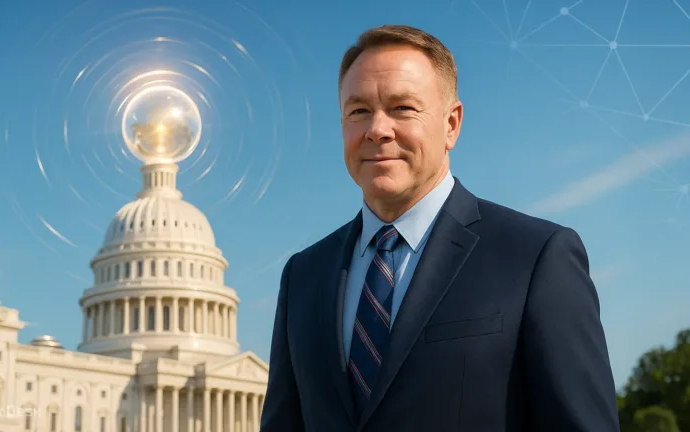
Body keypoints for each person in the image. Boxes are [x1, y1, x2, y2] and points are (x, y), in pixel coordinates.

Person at [260, 24, 620, 432]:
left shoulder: (537, 257)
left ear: (451, 124)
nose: (377, 129)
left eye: (402, 108)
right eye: (358, 111)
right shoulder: (303, 276)